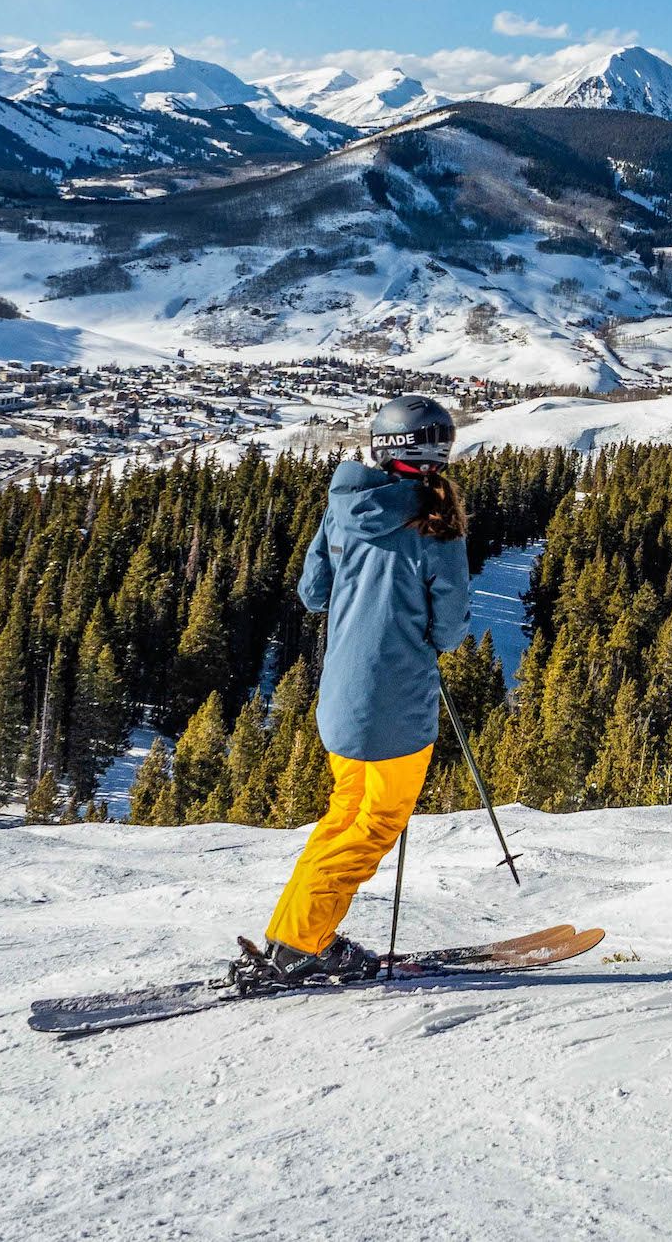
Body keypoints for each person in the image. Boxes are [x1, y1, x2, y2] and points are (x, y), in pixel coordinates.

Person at [235, 395, 473, 987]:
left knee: (344, 816)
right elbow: (448, 627)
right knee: (372, 826)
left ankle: (294, 929)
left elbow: (314, 592)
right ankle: (300, 944)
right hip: (396, 705)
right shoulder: (435, 526)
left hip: (340, 696)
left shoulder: (343, 506)